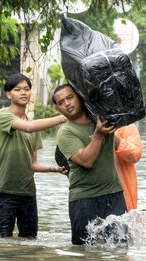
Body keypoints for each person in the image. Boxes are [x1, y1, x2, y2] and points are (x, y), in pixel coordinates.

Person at [0, 73, 68, 239]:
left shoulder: (33, 125)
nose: (23, 93)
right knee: (2, 241)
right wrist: (63, 117)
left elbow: (33, 164)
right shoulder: (3, 115)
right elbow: (27, 127)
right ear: (8, 94)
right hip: (5, 191)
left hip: (28, 193)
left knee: (30, 241)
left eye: (26, 89)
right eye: (17, 89)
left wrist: (53, 169)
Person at [51, 83, 127, 245]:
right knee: (82, 256)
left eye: (70, 97)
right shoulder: (65, 132)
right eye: (61, 102)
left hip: (113, 195)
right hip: (84, 200)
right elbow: (87, 161)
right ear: (58, 109)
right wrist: (98, 134)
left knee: (119, 250)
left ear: (79, 97)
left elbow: (118, 144)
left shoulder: (101, 120)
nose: (67, 104)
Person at [114, 124, 143, 211]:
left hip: (122, 198)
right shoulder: (82, 125)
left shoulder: (126, 127)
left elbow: (135, 154)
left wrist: (113, 139)